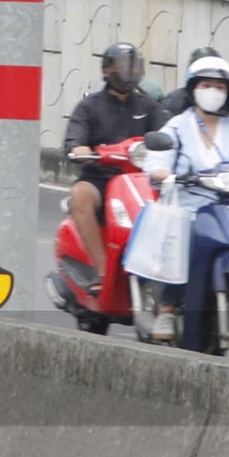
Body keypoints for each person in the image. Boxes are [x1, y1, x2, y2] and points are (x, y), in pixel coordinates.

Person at [140, 56, 229, 343]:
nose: (214, 91)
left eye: (220, 86)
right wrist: (161, 171)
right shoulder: (177, 127)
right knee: (182, 234)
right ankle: (168, 307)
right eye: (207, 85)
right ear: (194, 89)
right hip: (190, 206)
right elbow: (158, 157)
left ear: (228, 92)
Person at [62, 42, 168, 290]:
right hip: (101, 177)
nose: (129, 71)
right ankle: (102, 271)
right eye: (122, 66)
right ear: (107, 71)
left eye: (134, 66)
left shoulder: (148, 107)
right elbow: (72, 140)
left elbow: (169, 134)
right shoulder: (89, 106)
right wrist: (79, 149)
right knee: (80, 195)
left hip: (140, 179)